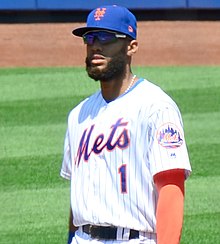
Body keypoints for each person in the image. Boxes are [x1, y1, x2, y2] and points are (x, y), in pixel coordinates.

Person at [60, 5, 191, 244]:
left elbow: (171, 189)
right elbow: (78, 195)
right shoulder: (78, 115)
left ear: (132, 46)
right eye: (90, 38)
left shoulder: (156, 107)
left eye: (107, 37)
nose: (95, 46)